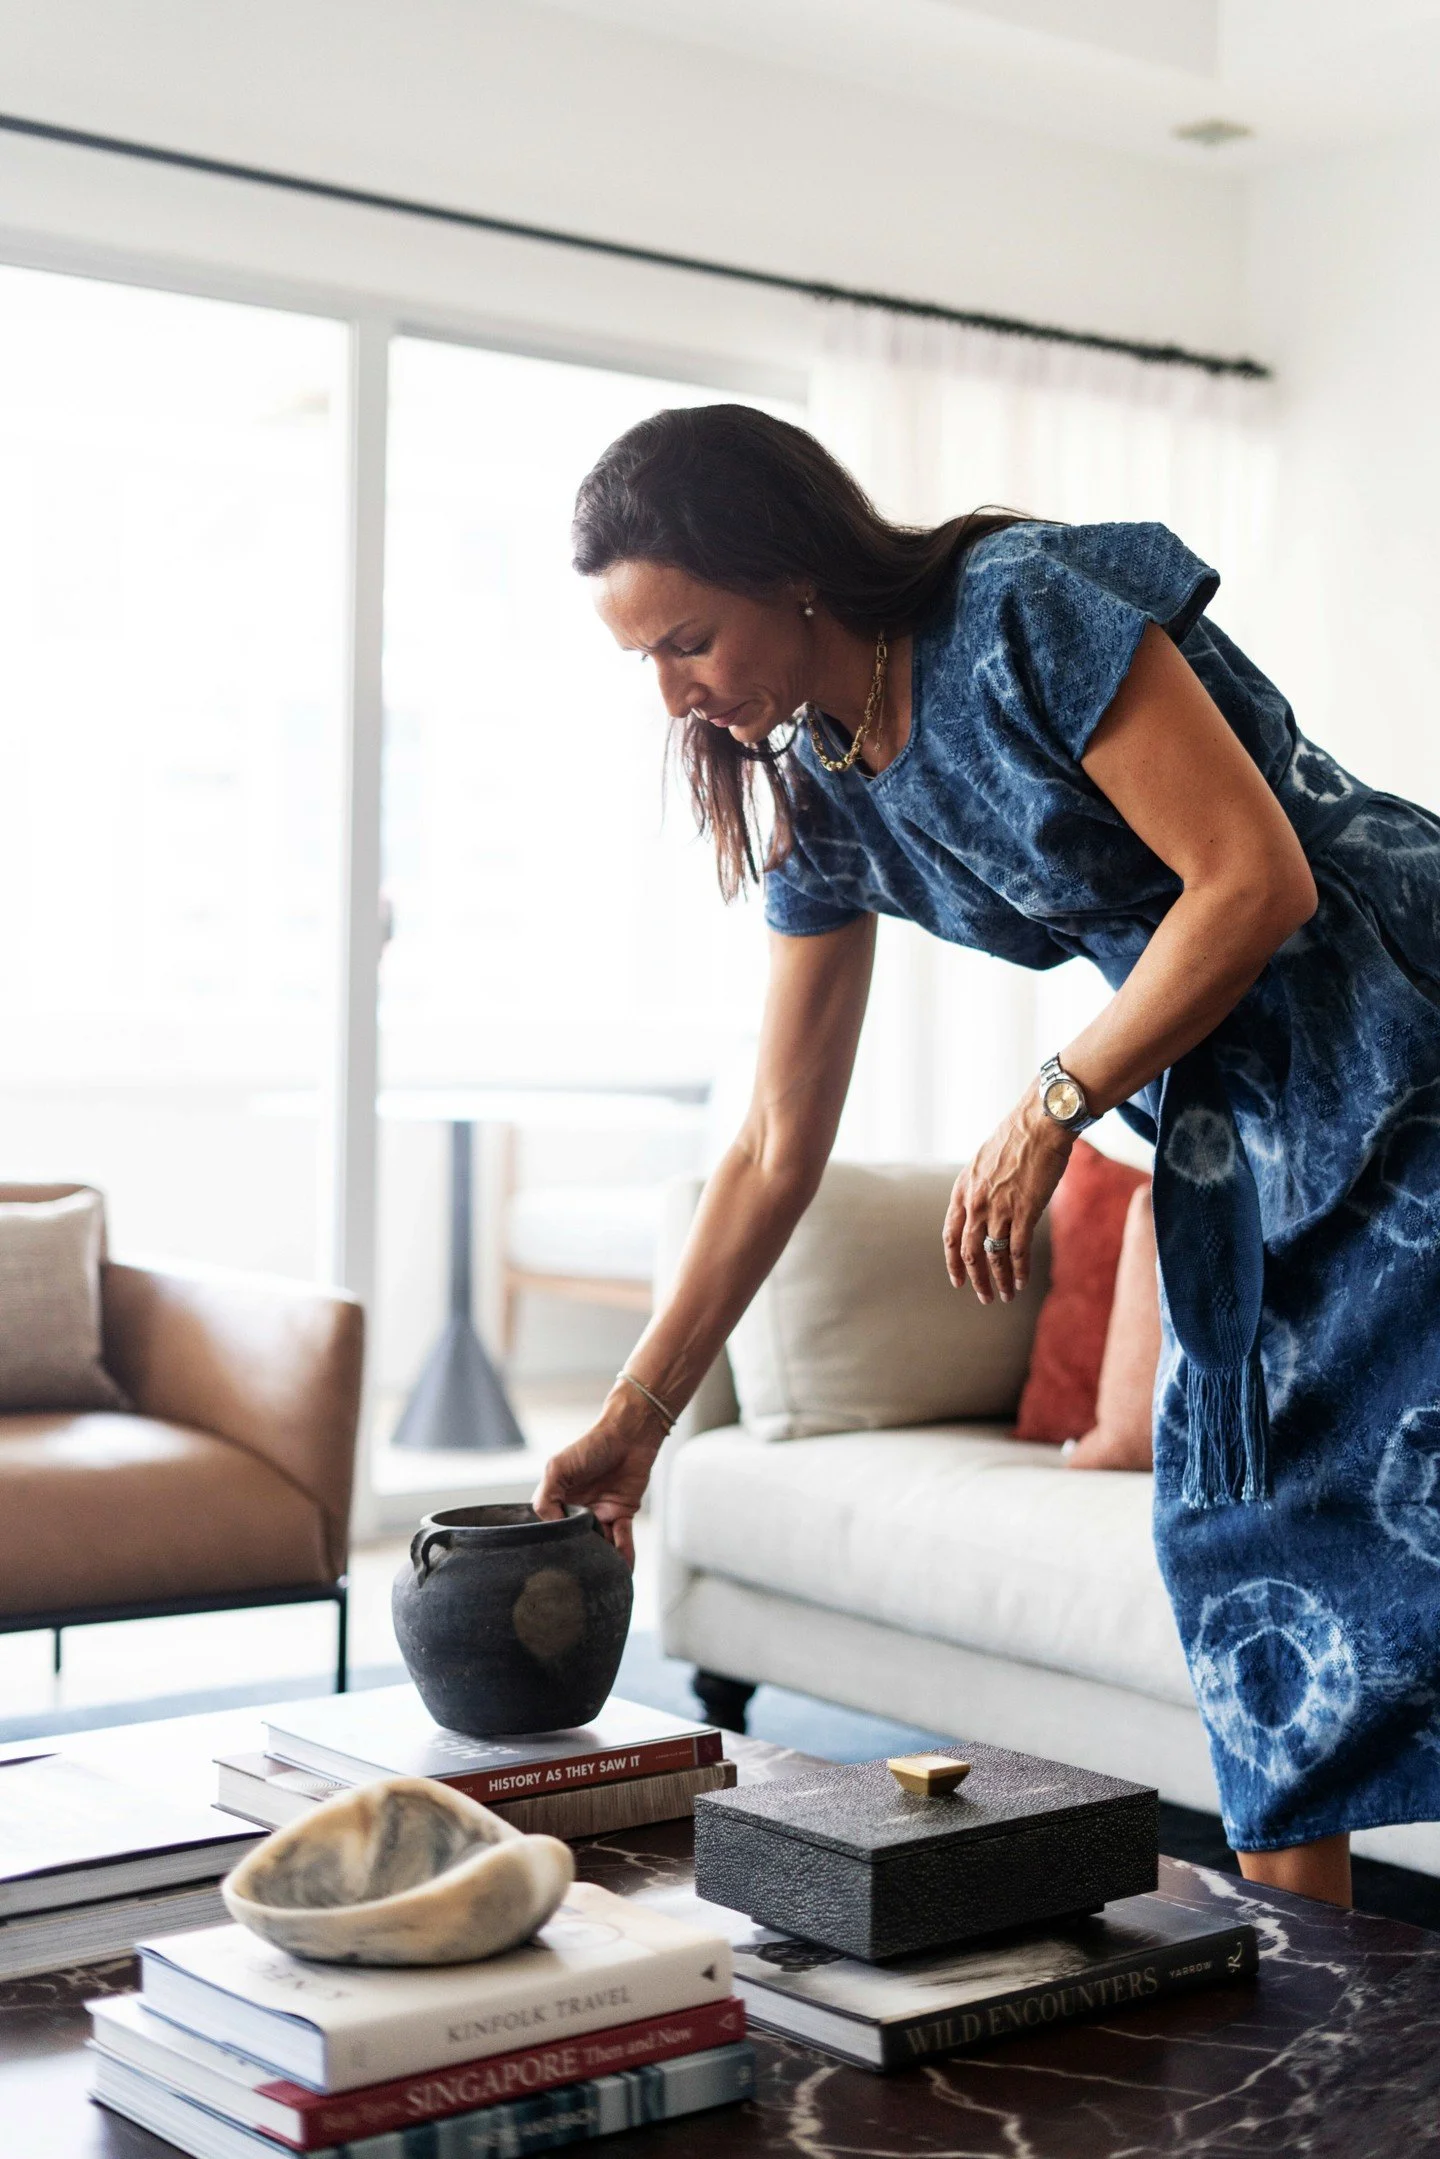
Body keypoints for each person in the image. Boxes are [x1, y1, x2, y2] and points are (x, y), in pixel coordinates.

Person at [535, 403, 1440, 1912]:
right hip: (1248, 1135)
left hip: (1407, 1041)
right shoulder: (822, 795)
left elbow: (1255, 877)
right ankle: (1324, 2042)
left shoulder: (1019, 606)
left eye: (685, 640)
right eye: (645, 661)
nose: (677, 693)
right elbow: (772, 1140)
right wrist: (642, 1409)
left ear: (784, 566)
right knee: (1245, 1567)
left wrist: (1048, 1108)